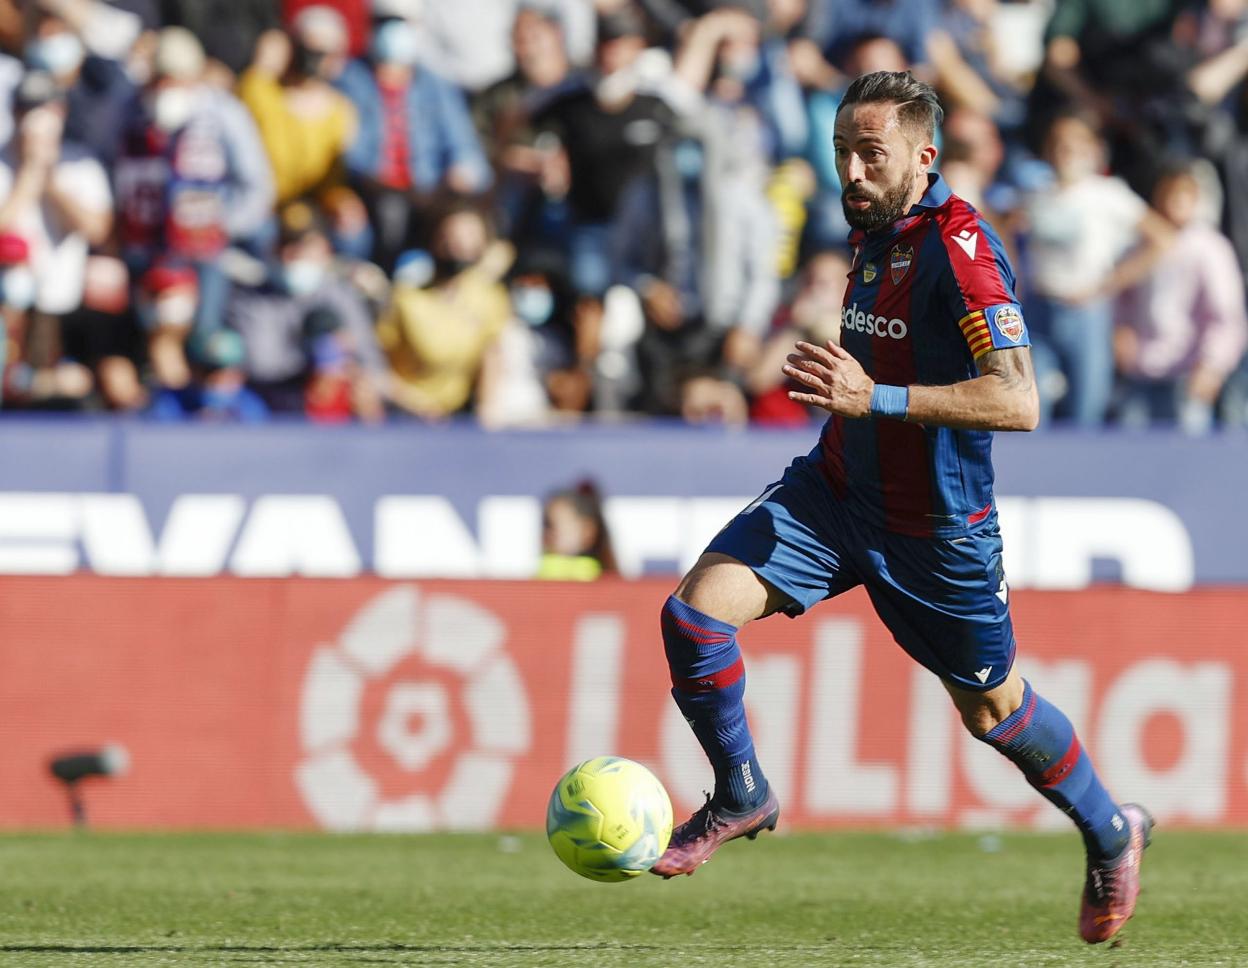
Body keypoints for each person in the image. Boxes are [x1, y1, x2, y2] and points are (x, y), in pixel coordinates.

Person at [650, 70, 1152, 947]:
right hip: (836, 491)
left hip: (935, 531)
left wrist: (873, 399)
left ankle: (1112, 830)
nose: (851, 169)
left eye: (870, 153)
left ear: (925, 157)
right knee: (693, 618)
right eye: (843, 149)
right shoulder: (874, 229)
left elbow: (1018, 400)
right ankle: (741, 792)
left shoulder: (962, 250)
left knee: (992, 710)